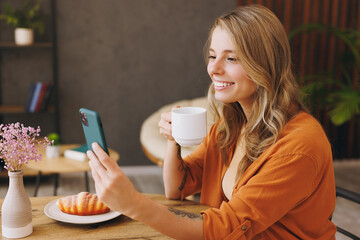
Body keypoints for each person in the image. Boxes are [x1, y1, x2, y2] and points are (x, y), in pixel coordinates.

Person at [88, 4, 336, 239]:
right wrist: (173, 141)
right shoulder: (233, 124)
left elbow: (223, 229)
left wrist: (134, 204)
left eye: (231, 58)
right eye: (212, 55)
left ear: (264, 65)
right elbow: (177, 188)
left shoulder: (299, 146)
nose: (213, 69)